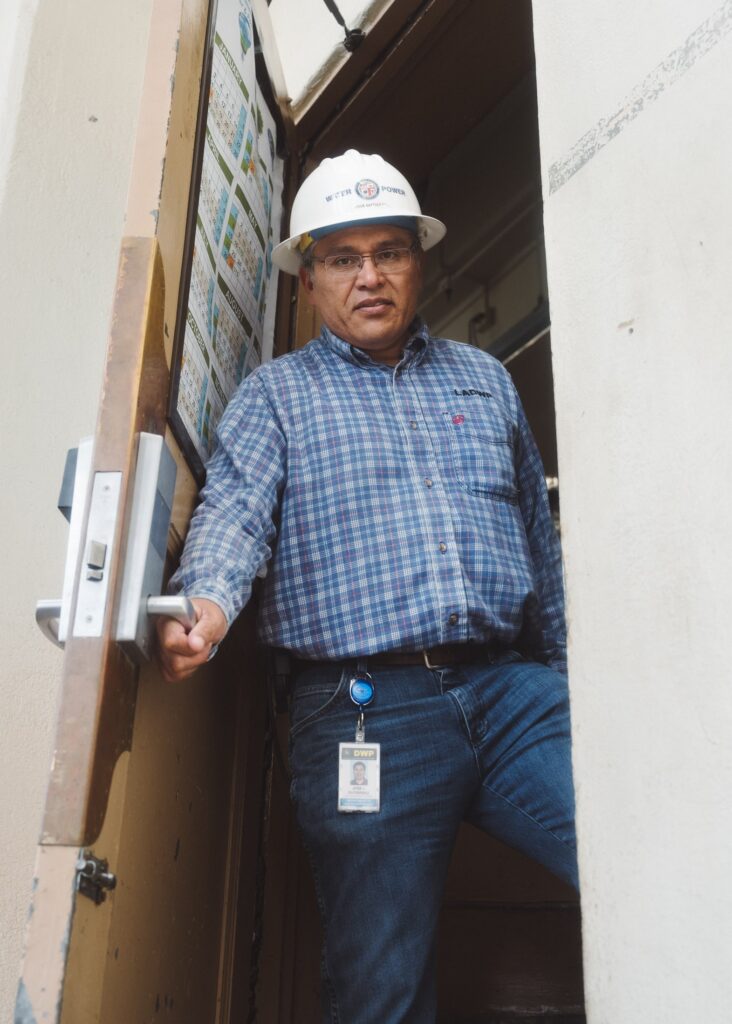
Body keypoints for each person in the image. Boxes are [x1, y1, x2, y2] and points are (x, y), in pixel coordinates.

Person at [157, 150, 578, 1023]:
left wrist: (567, 674)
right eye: (345, 260)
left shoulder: (484, 381)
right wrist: (207, 604)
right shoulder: (277, 397)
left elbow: (541, 549)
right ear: (308, 281)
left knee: (661, 845)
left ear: (419, 264)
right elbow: (233, 514)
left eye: (390, 252)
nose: (372, 276)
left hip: (513, 690)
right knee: (380, 990)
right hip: (364, 711)